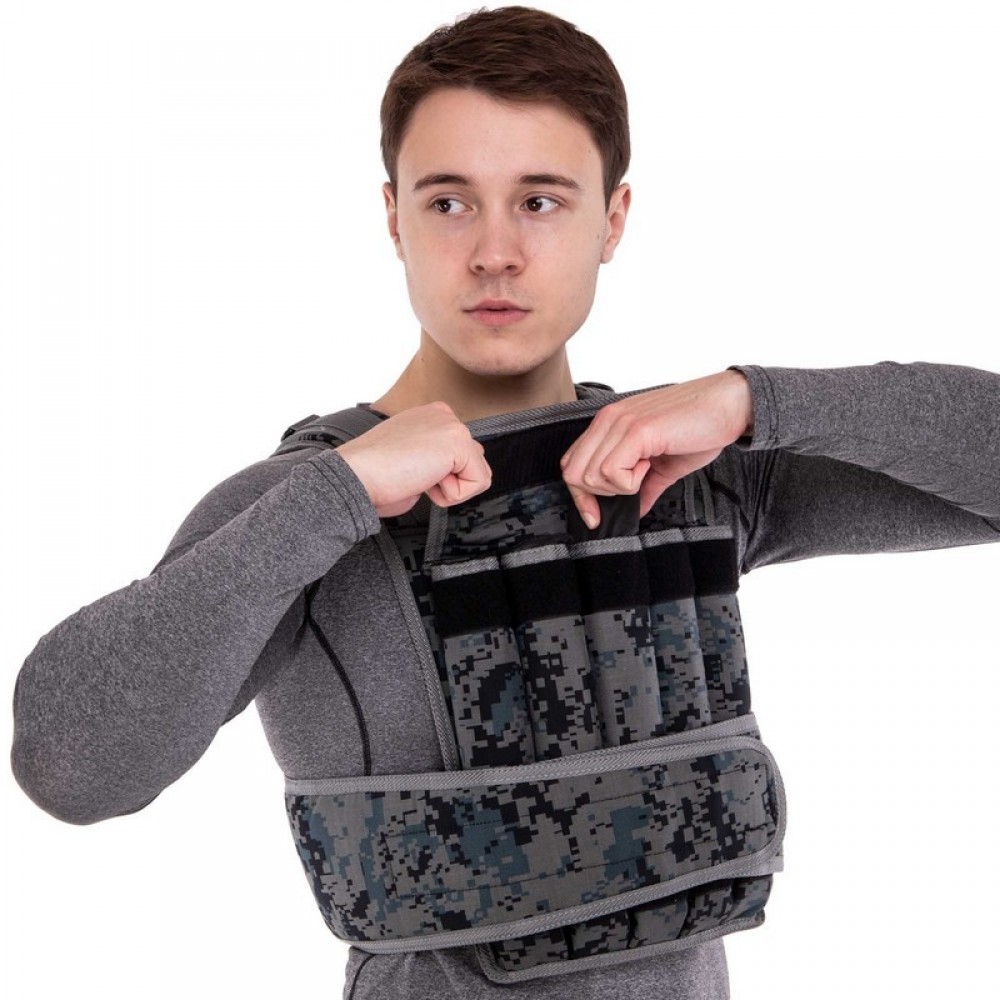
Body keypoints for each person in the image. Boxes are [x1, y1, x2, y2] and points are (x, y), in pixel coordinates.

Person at [9, 6, 999, 999]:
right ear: (392, 217)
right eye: (449, 202)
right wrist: (335, 498)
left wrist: (757, 400)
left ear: (612, 220)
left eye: (540, 201)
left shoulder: (691, 465)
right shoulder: (301, 505)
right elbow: (70, 768)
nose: (494, 252)